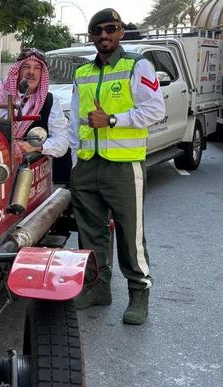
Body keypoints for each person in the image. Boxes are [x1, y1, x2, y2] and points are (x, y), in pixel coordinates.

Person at [69, 8, 165, 325]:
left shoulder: (137, 65)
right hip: (86, 166)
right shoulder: (82, 73)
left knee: (129, 236)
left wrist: (111, 120)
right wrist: (74, 162)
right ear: (92, 36)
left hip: (124, 166)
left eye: (111, 29)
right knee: (89, 234)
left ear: (121, 32)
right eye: (97, 31)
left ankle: (139, 293)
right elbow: (74, 124)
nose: (104, 35)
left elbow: (154, 110)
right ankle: (96, 288)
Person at [0, 48, 69, 159]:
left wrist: (35, 146)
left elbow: (62, 142)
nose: (31, 72)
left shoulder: (50, 101)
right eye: (26, 67)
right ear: (18, 70)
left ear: (42, 73)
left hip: (28, 169)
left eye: (37, 68)